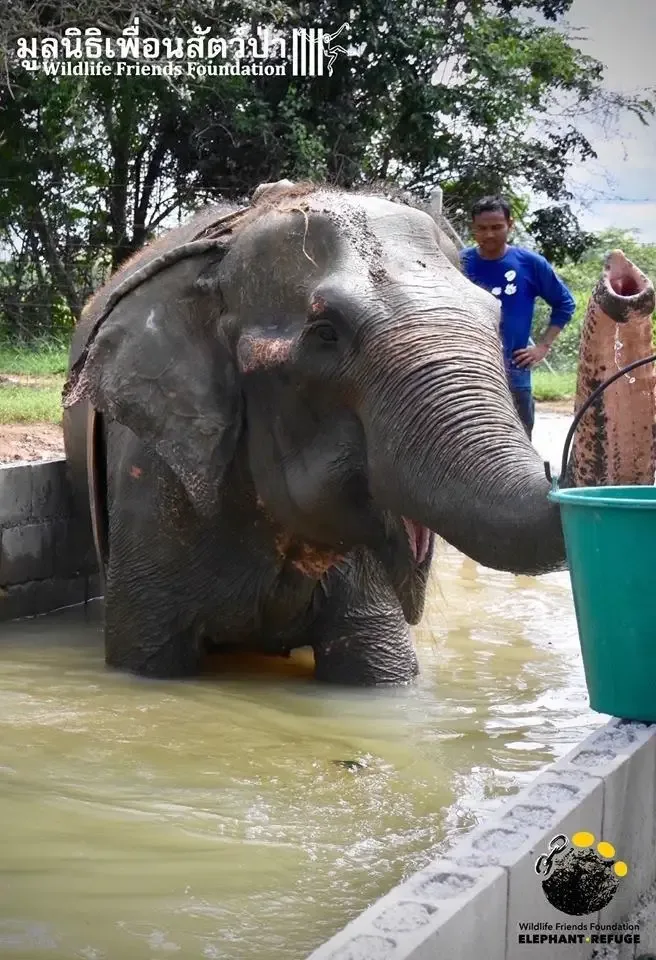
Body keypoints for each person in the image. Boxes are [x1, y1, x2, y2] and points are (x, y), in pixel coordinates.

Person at [460, 196, 576, 440]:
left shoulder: (531, 264)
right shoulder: (459, 263)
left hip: (514, 373)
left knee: (518, 445)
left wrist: (543, 346)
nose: (489, 235)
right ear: (473, 228)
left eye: (496, 227)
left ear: (510, 225)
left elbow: (564, 304)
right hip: (466, 374)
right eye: (482, 228)